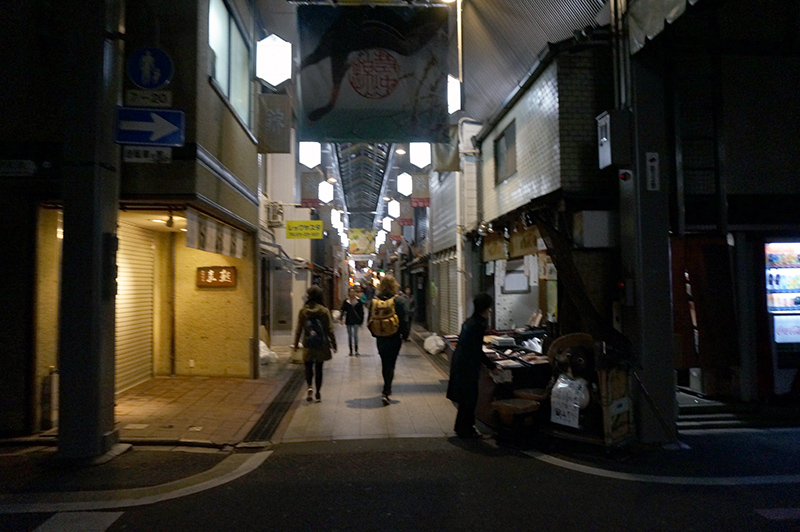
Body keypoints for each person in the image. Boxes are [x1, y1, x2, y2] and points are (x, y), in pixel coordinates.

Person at [446, 293, 498, 438]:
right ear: (485, 308)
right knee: (469, 398)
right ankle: (467, 430)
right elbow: (476, 350)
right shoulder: (478, 324)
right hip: (467, 365)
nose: (490, 310)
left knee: (466, 398)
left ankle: (462, 428)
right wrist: (491, 365)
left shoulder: (470, 321)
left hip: (461, 361)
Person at [368, 275, 410, 406]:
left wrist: (376, 333)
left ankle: (386, 389)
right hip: (394, 337)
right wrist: (405, 335)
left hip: (381, 337)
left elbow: (369, 320)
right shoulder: (399, 301)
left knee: (384, 362)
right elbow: (405, 320)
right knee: (391, 363)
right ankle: (386, 390)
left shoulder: (375, 302)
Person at [293, 285, 337, 403]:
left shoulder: (304, 311)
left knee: (308, 366)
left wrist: (296, 344)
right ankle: (318, 393)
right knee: (319, 368)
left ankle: (309, 387)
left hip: (308, 343)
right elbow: (330, 329)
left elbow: (299, 329)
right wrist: (334, 344)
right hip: (321, 344)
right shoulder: (324, 311)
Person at [340, 286, 365, 356]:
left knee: (355, 335)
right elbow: (343, 310)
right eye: (351, 292)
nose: (352, 293)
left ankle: (356, 350)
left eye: (353, 292)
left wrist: (361, 321)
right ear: (349, 293)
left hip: (356, 320)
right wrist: (341, 318)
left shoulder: (358, 301)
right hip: (348, 320)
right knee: (349, 336)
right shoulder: (346, 302)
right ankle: (351, 350)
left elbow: (361, 312)